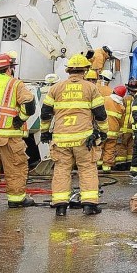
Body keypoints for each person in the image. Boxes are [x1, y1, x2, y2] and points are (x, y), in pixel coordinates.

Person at [40, 54, 107, 216]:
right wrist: (103, 132)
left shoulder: (56, 88)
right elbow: (100, 114)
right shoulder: (91, 88)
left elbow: (45, 113)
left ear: (68, 70)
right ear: (85, 70)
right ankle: (89, 205)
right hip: (84, 140)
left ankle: (60, 206)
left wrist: (44, 132)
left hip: (61, 138)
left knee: (62, 170)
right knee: (87, 169)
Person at [0, 53, 37, 210]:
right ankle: (16, 199)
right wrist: (21, 118)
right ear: (10, 69)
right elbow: (29, 102)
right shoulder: (15, 84)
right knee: (15, 167)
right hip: (8, 136)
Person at [99, 86, 127, 174]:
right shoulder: (121, 106)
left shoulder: (105, 99)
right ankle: (106, 167)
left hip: (103, 129)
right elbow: (122, 121)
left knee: (99, 147)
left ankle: (98, 164)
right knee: (110, 149)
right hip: (114, 132)